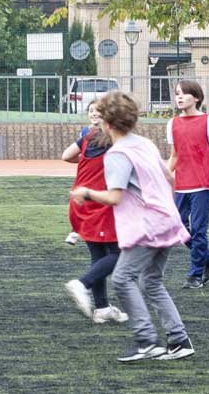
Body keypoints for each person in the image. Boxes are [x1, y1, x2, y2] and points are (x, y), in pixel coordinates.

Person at [71, 91, 194, 362]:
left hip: (146, 226)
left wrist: (87, 192)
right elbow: (169, 178)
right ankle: (178, 340)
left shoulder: (117, 154)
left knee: (122, 278)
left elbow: (113, 196)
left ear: (106, 123)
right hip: (166, 220)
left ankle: (147, 340)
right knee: (151, 281)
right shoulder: (146, 144)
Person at [62, 104, 128, 323]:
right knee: (119, 255)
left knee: (98, 256)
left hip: (78, 203)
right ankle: (82, 284)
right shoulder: (116, 142)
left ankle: (102, 308)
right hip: (98, 204)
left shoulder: (87, 136)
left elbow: (66, 156)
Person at [167, 80, 209, 289]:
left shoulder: (208, 121)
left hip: (202, 183)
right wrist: (163, 176)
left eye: (184, 94)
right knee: (178, 227)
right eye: (177, 94)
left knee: (199, 230)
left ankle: (195, 275)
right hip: (181, 184)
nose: (179, 97)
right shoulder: (172, 123)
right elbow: (174, 156)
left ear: (197, 97)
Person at [65, 101, 106, 245]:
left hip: (100, 175)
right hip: (87, 173)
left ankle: (85, 230)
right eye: (91, 110)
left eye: (97, 110)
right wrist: (84, 159)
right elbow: (75, 154)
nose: (94, 113)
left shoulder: (108, 134)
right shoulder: (85, 133)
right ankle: (76, 230)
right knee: (80, 200)